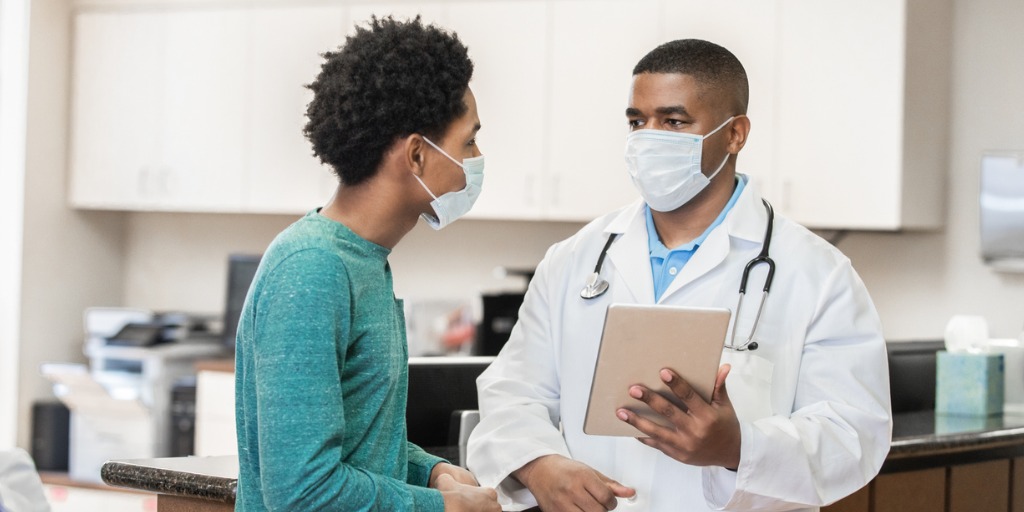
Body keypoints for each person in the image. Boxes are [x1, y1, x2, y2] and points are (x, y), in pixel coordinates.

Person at [467, 38, 892, 511]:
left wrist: (739, 447)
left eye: (673, 121)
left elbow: (855, 435)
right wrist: (540, 463)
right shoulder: (575, 259)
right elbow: (512, 393)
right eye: (636, 121)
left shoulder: (819, 273)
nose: (648, 137)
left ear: (735, 134)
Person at [234, 16, 500, 512]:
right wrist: (442, 509)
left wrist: (432, 471)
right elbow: (302, 492)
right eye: (468, 142)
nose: (477, 158)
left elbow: (361, 439)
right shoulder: (312, 269)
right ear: (417, 155)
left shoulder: (364, 261)